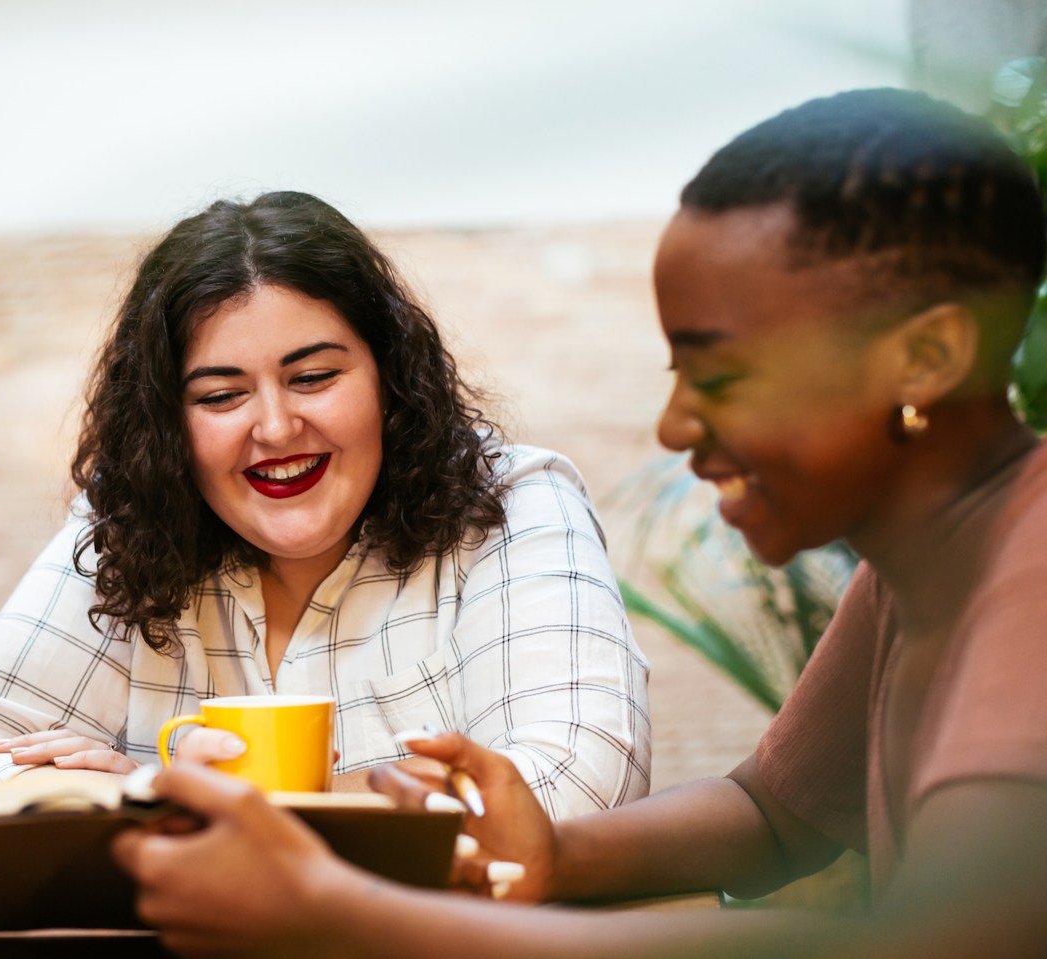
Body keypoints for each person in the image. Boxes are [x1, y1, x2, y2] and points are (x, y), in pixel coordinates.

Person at [109, 88, 1047, 957]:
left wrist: (346, 911)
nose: (676, 424)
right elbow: (772, 816)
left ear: (926, 358)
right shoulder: (915, 568)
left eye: (719, 376)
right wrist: (552, 853)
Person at [0, 191, 650, 818]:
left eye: (314, 376)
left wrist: (218, 805)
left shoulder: (511, 506)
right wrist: (149, 789)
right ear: (169, 424)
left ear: (389, 377)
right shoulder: (131, 523)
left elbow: (578, 782)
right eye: (222, 395)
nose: (277, 427)